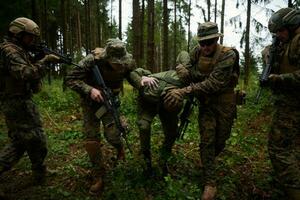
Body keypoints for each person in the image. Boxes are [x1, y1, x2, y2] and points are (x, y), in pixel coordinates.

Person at [164, 22, 240, 200]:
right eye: (202, 43)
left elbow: (214, 83)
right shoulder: (197, 53)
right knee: (207, 140)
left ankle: (208, 163)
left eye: (209, 42)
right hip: (206, 104)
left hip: (225, 103)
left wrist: (185, 91)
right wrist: (181, 68)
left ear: (216, 39)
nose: (205, 47)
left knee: (220, 141)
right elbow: (187, 70)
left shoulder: (228, 55)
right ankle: (210, 182)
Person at [64, 38, 142, 194]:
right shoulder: (91, 61)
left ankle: (120, 149)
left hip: (109, 103)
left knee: (113, 135)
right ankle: (98, 175)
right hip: (90, 104)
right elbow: (70, 79)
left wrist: (142, 80)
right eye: (116, 62)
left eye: (122, 62)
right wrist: (89, 90)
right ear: (107, 58)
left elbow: (131, 74)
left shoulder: (128, 62)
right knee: (91, 139)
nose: (120, 65)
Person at [0, 17, 59, 183]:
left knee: (21, 141)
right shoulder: (10, 51)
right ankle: (40, 173)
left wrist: (38, 59)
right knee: (34, 138)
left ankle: (40, 172)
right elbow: (25, 73)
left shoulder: (18, 49)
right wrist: (45, 61)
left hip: (20, 100)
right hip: (16, 102)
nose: (32, 40)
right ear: (17, 34)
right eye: (29, 37)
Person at [130, 51, 190, 176]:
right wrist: (142, 79)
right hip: (148, 102)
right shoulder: (154, 86)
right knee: (144, 126)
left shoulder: (184, 84)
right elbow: (134, 72)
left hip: (167, 103)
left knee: (172, 132)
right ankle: (146, 162)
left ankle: (163, 161)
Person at [265, 8, 299, 199]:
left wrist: (280, 79)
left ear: (292, 25)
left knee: (279, 148)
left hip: (293, 106)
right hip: (288, 104)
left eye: (280, 31)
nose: (278, 35)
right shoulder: (287, 42)